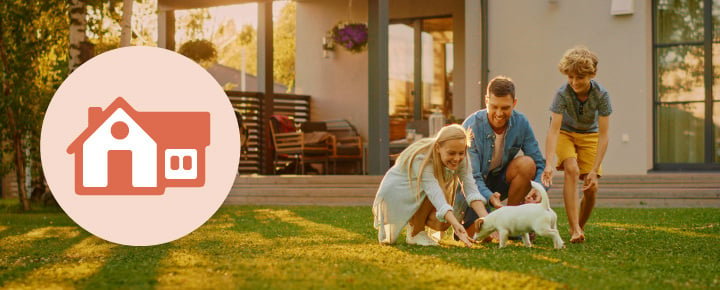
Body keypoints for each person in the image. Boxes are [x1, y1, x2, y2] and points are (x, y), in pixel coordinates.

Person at [454, 76, 547, 238]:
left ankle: (512, 223)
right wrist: (489, 197)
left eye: (505, 108)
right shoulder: (471, 126)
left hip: (499, 181)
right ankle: (475, 226)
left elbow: (539, 163)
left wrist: (539, 189)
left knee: (527, 164)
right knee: (485, 236)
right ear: (486, 101)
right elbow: (472, 177)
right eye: (494, 106)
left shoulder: (521, 123)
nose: (499, 113)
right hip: (471, 188)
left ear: (514, 104)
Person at [373, 124, 490, 247]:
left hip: (420, 192)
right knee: (435, 198)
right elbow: (434, 193)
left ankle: (415, 225)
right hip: (396, 192)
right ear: (438, 148)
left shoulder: (462, 157)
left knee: (443, 223)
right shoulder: (423, 158)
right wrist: (456, 224)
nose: (457, 158)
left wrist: (490, 223)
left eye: (461, 153)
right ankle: (415, 233)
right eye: (451, 153)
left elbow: (471, 191)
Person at [541, 46, 612, 243]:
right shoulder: (562, 94)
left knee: (591, 188)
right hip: (565, 133)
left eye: (579, 78)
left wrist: (595, 169)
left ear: (592, 74)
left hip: (590, 135)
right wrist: (548, 164)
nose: (573, 82)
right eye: (570, 77)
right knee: (571, 168)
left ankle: (579, 228)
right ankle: (573, 228)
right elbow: (553, 130)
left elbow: (604, 135)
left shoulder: (601, 95)